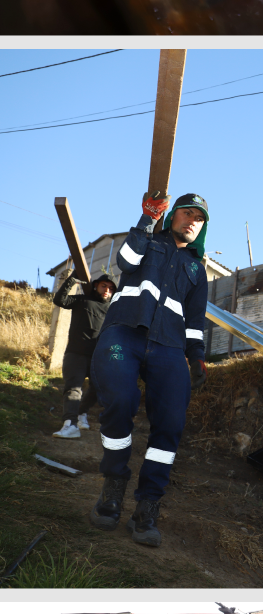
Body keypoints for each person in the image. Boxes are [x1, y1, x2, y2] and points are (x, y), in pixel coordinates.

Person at [89, 190, 209, 548]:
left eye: (198, 218)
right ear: (173, 215)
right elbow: (124, 261)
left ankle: (147, 506)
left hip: (169, 348)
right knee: (121, 402)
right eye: (186, 213)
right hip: (124, 334)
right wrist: (146, 220)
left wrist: (197, 354)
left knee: (170, 426)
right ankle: (113, 487)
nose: (192, 221)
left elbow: (194, 320)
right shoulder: (148, 242)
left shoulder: (196, 269)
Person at [52, 268, 114, 438]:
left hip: (99, 358)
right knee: (73, 389)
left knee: (99, 389)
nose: (107, 290)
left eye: (110, 288)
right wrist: (72, 279)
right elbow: (60, 300)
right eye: (103, 286)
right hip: (76, 354)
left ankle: (81, 413)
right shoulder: (83, 300)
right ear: (95, 286)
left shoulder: (113, 311)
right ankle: (70, 425)